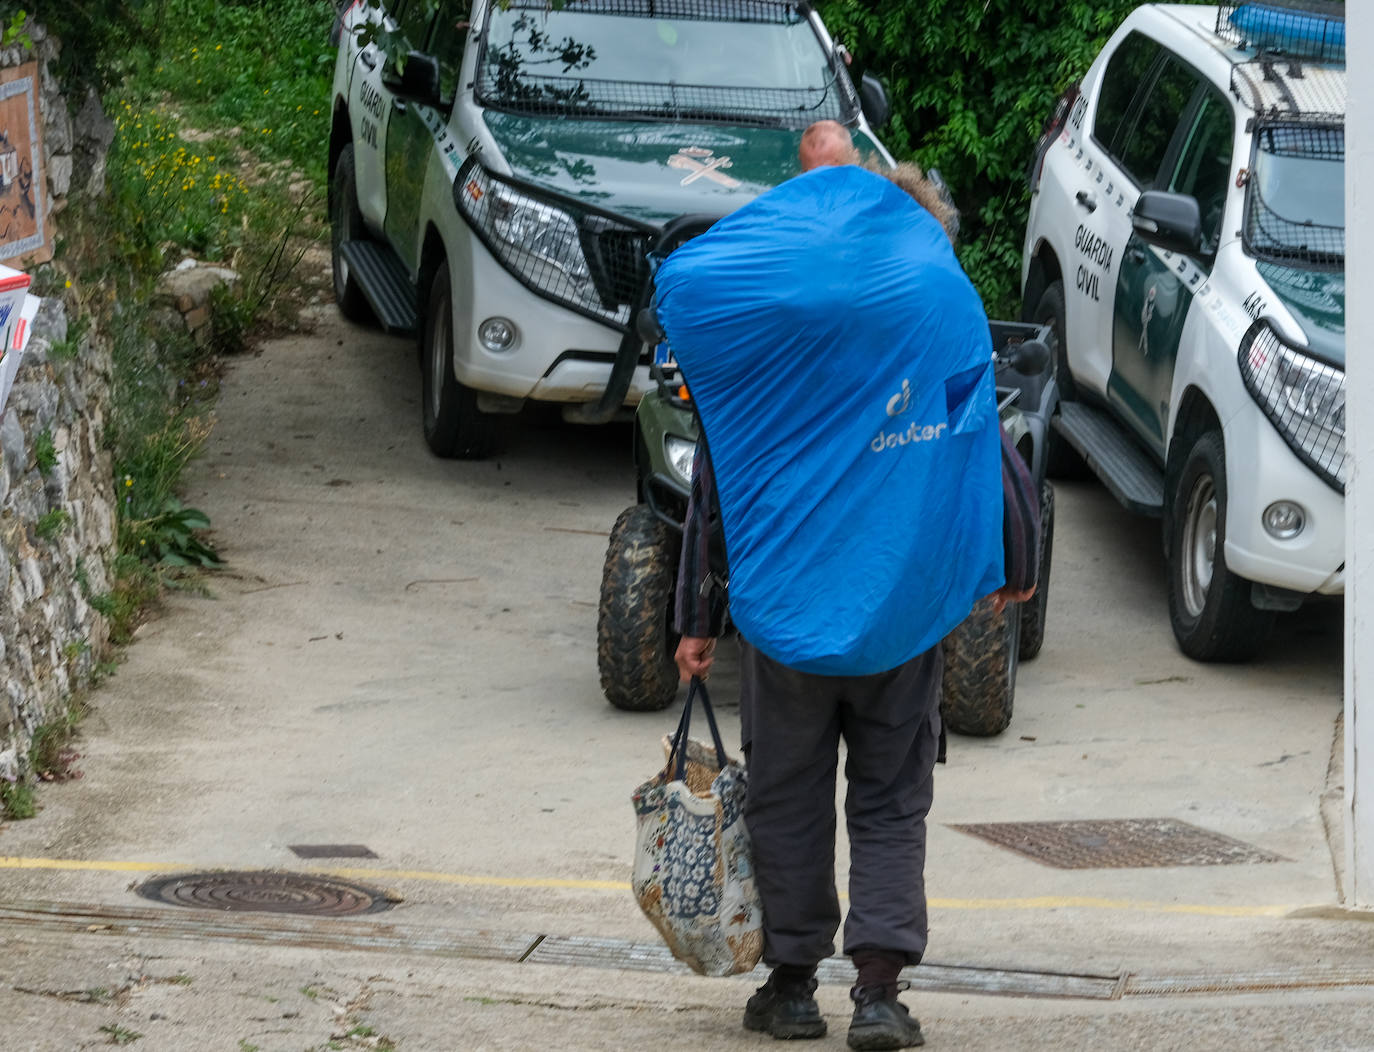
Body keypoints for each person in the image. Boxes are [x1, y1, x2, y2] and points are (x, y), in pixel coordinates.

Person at [665, 152, 1039, 1051]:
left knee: (786, 799)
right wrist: (1013, 556)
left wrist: (694, 616)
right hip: (899, 612)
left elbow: (719, 485)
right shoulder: (938, 320)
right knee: (888, 801)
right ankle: (877, 994)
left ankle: (791, 988)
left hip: (788, 613)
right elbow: (978, 442)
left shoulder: (776, 339)